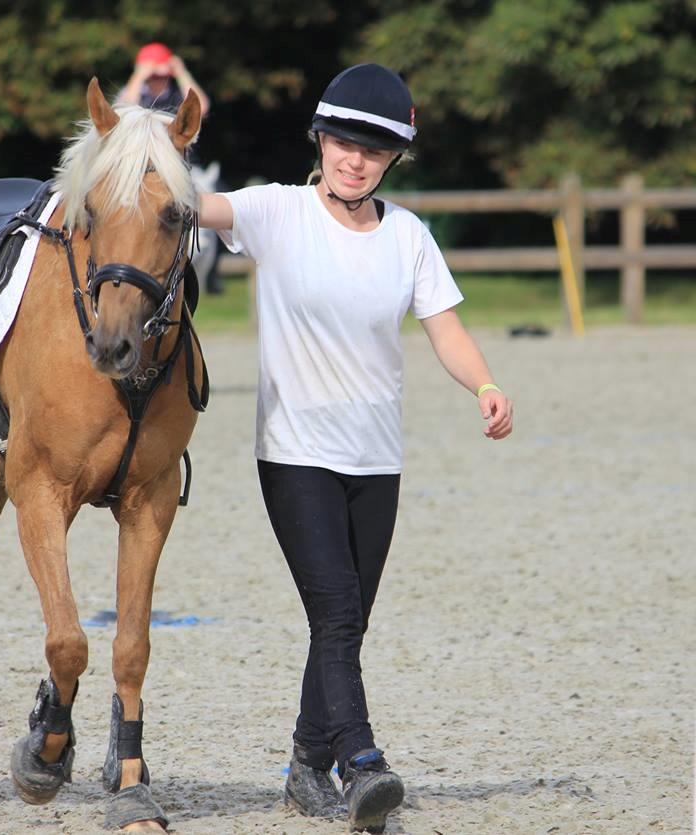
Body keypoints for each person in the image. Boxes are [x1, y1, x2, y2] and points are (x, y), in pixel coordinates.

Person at [197, 64, 513, 833]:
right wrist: (129, 162)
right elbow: (187, 206)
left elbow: (446, 328)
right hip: (295, 451)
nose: (354, 159)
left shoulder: (408, 236)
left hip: (377, 458)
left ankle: (306, 763)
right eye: (343, 142)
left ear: (391, 160)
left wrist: (484, 385)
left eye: (372, 150)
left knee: (347, 620)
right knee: (336, 610)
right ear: (321, 139)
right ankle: (362, 761)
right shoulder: (276, 212)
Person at [118, 42, 211, 116]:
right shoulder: (135, 92)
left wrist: (182, 74)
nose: (159, 82)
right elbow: (124, 110)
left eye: (163, 77)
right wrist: (138, 77)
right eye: (154, 77)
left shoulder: (177, 94)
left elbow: (201, 109)